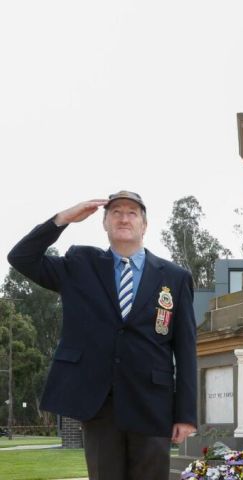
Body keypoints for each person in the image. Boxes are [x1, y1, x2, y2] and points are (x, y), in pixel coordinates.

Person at [8, 191, 197, 480]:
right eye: (116, 212)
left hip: (152, 401)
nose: (124, 218)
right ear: (105, 223)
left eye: (132, 213)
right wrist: (63, 219)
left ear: (144, 225)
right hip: (98, 402)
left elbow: (185, 349)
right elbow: (21, 257)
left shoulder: (174, 277)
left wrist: (185, 415)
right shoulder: (80, 264)